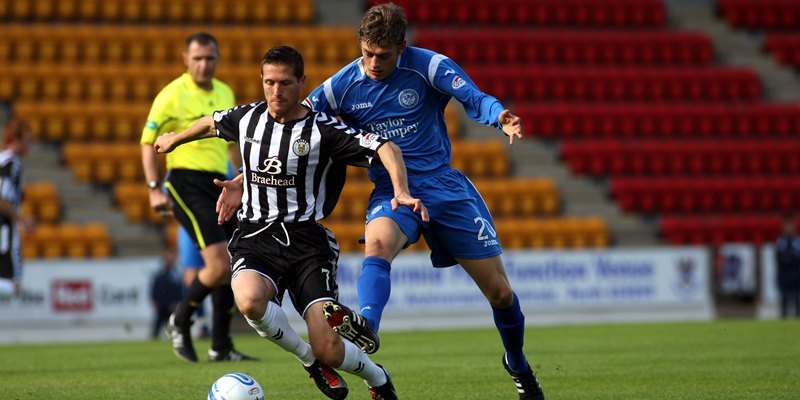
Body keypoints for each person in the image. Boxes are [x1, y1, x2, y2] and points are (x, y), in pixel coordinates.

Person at [302, 3, 545, 399]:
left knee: (500, 293)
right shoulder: (341, 85)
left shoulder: (429, 66)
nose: (373, 63)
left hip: (444, 187)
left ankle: (515, 361)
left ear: (401, 47)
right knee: (378, 245)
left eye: (382, 55)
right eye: (366, 54)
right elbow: (298, 118)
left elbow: (473, 96)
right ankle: (367, 326)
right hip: (393, 190)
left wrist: (500, 115)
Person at [155, 45, 425, 400]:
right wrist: (176, 138)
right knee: (249, 300)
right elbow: (212, 122)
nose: (275, 91)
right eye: (269, 82)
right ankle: (310, 362)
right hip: (255, 235)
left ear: (302, 82)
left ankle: (377, 378)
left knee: (330, 347)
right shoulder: (248, 117)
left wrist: (401, 190)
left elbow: (386, 147)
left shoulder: (323, 130)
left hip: (306, 243)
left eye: (284, 83)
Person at [140, 32, 254, 362]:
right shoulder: (171, 95)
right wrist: (152, 189)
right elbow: (148, 142)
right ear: (185, 60)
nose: (204, 64)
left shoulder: (224, 91)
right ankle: (179, 319)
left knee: (232, 264)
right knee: (219, 263)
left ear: (217, 60)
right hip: (184, 182)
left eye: (210, 58)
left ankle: (220, 346)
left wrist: (241, 180)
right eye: (198, 58)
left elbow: (232, 144)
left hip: (219, 183)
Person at [0, 119, 33, 299]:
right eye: (28, 139)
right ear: (15, 139)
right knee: (14, 286)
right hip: (5, 228)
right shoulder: (12, 163)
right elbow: (2, 199)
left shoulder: (2, 159)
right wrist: (21, 219)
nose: (30, 144)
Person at [150, 248, 185, 339]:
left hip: (172, 305)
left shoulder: (176, 275)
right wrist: (156, 302)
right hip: (162, 305)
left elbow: (179, 290)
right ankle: (154, 339)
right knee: (158, 326)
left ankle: (176, 339)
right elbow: (155, 290)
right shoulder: (160, 275)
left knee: (172, 326)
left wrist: (177, 302)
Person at [775, 217, 800, 318]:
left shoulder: (797, 241)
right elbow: (778, 256)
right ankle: (783, 317)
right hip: (784, 273)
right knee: (784, 297)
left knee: (797, 297)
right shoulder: (781, 241)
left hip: (796, 272)